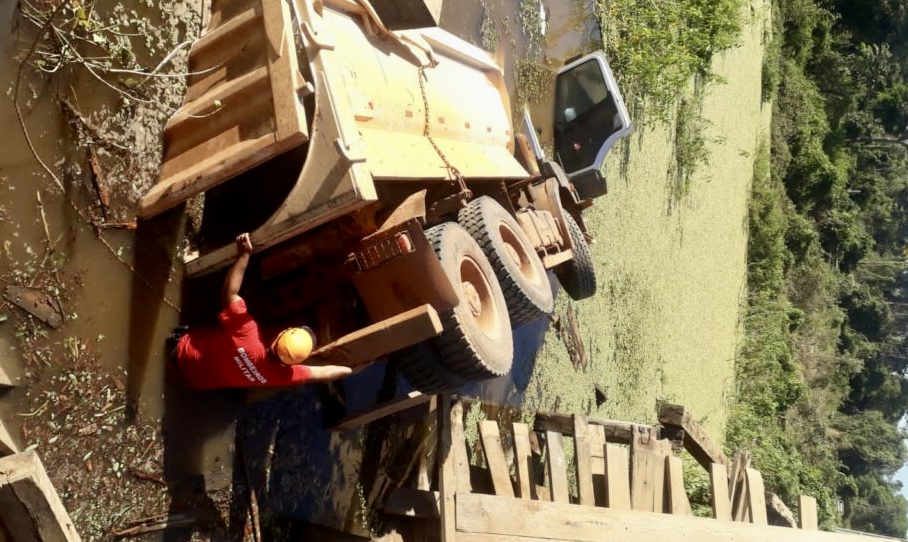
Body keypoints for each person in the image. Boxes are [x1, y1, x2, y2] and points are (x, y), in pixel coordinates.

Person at [173, 233, 352, 389]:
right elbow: (324, 373)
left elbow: (229, 293)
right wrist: (351, 369)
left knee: (209, 317)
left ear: (282, 334)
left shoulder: (247, 334)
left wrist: (244, 255)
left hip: (179, 352)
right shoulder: (281, 376)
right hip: (190, 382)